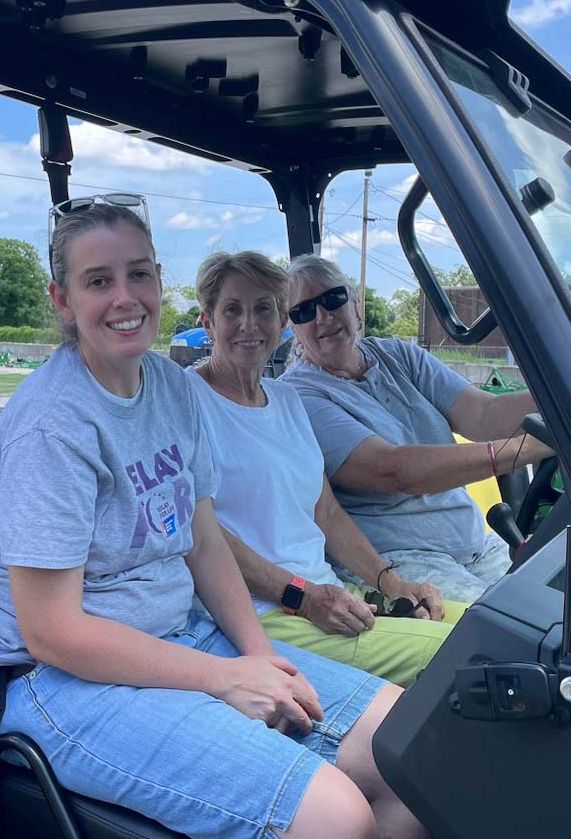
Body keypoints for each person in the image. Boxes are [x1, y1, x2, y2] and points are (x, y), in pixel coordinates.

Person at [0, 205, 426, 839]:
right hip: (57, 681)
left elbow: (202, 540)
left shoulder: (170, 387)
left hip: (183, 635)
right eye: (98, 281)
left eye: (140, 274)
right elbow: (53, 632)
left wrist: (263, 663)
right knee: (337, 818)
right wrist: (226, 677)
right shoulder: (51, 427)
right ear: (63, 299)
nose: (125, 298)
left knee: (414, 759)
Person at [188, 251, 463, 689]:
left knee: (487, 622)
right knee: (469, 655)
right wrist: (304, 596)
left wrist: (393, 584)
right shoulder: (185, 402)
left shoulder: (287, 401)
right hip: (266, 614)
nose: (249, 324)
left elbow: (327, 514)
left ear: (281, 323)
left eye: (264, 309)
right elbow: (200, 534)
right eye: (232, 310)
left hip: (328, 595)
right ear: (207, 321)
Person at [282, 254, 553, 605]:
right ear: (293, 327)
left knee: (557, 604)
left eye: (333, 299)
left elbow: (484, 412)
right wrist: (530, 448)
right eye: (304, 311)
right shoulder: (299, 395)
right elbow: (392, 470)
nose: (322, 316)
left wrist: (562, 399)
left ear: (354, 302)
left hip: (475, 543)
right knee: (517, 628)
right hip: (400, 559)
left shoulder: (398, 355)